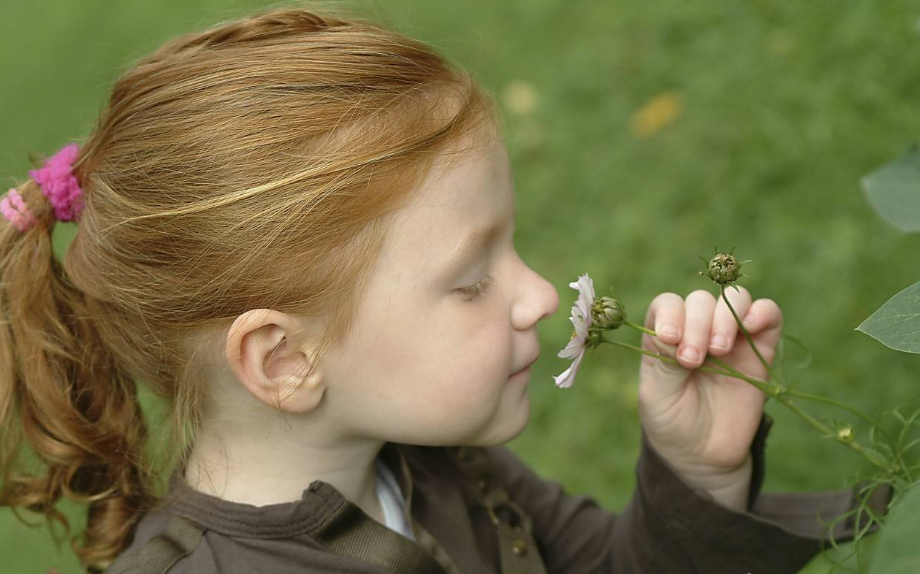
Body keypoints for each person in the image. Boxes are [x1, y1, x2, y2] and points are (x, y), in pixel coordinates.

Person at [0, 5, 890, 574]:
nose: (540, 295)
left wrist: (696, 473)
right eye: (470, 280)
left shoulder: (430, 465)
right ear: (283, 358)